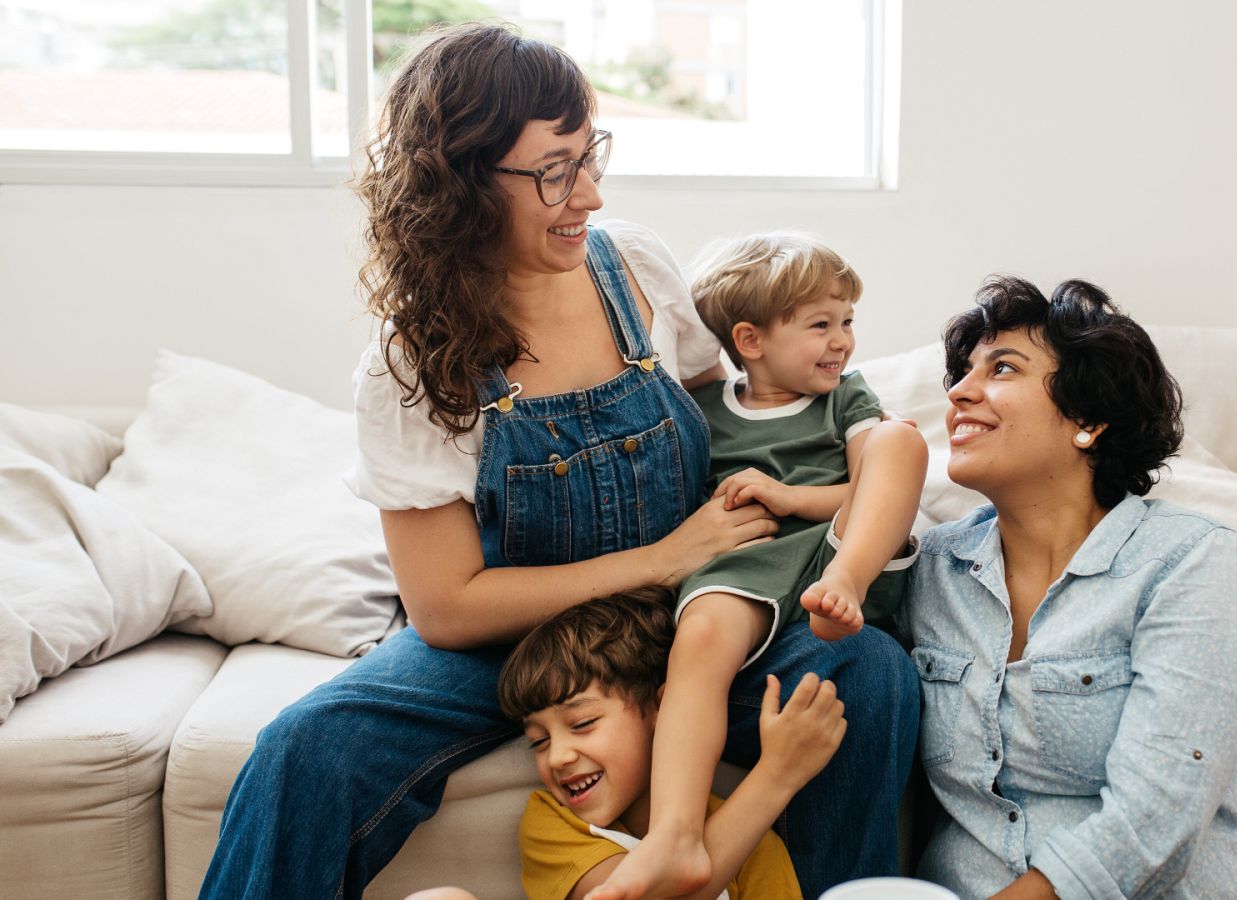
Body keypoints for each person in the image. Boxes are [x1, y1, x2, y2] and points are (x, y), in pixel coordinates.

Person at [196, 23, 919, 900]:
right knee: (307, 748)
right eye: (553, 171)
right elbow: (448, 608)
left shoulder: (639, 271)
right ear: (459, 184)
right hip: (518, 641)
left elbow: (724, 422)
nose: (590, 195)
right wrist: (658, 557)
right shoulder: (412, 365)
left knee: (866, 675)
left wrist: (805, 509)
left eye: (590, 156)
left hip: (695, 614)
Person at [901, 277, 1237, 898]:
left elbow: (1155, 818)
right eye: (962, 374)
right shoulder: (933, 569)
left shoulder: (1188, 560)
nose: (960, 394)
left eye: (1001, 369)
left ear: (1089, 418)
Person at [595, 233, 928, 899]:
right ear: (749, 340)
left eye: (848, 322)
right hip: (750, 561)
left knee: (899, 439)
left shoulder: (847, 399)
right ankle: (675, 835)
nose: (843, 341)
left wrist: (793, 497)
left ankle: (847, 587)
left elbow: (874, 486)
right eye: (820, 325)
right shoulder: (707, 413)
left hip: (839, 550)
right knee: (703, 638)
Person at [503, 586, 842, 900]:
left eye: (582, 723)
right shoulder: (552, 824)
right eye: (539, 741)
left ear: (663, 709)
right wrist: (776, 777)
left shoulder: (750, 840)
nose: (558, 757)